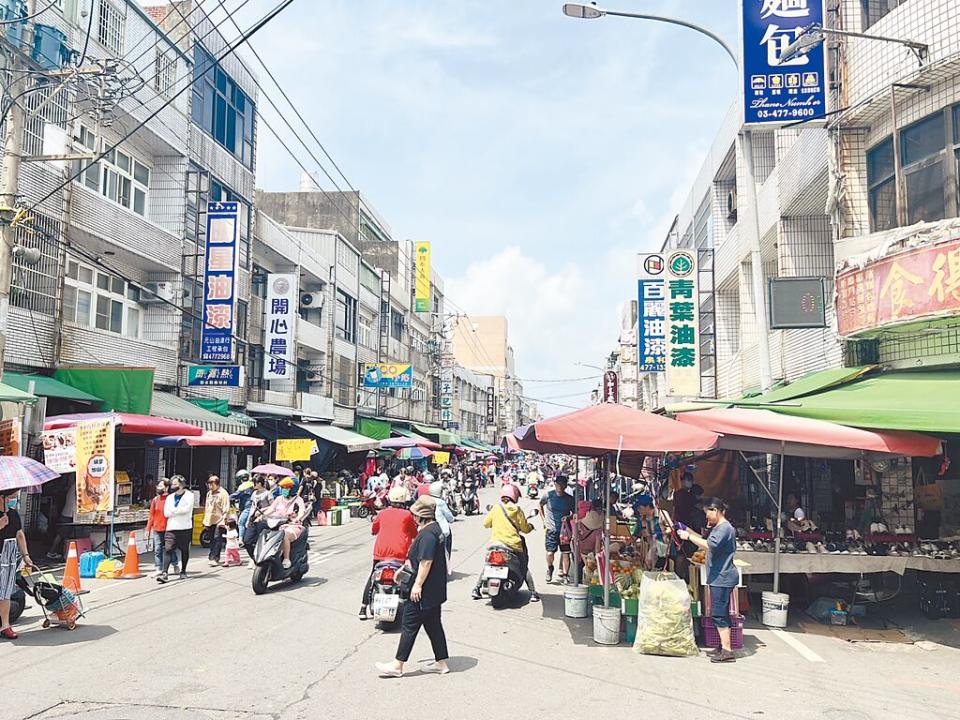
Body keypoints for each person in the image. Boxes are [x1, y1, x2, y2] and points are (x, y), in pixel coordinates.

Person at [376, 496, 449, 678]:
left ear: (420, 516)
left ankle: (397, 665)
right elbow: (418, 560)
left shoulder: (427, 535)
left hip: (423, 591)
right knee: (434, 626)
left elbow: (426, 562)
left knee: (409, 625)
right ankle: (441, 663)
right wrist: (403, 569)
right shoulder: (435, 530)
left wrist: (417, 585)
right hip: (434, 590)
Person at [678, 497, 738, 663]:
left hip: (722, 577)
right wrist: (687, 531)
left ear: (715, 511)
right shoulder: (719, 527)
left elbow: (709, 545)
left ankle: (727, 651)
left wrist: (688, 537)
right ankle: (722, 646)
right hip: (718, 576)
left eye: (708, 514)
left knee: (719, 614)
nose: (707, 518)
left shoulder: (724, 529)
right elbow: (705, 541)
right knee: (720, 612)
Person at [472, 484, 539, 602]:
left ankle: (476, 589)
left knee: (488, 565)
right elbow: (524, 528)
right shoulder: (517, 510)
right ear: (515, 496)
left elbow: (486, 524)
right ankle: (533, 592)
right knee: (523, 566)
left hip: (495, 545)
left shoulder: (496, 508)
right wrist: (530, 527)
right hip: (513, 546)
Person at [359, 486, 418, 620]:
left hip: (380, 554)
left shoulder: (382, 513)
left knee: (373, 577)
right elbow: (414, 533)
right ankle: (410, 606)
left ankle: (363, 608)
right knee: (407, 577)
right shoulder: (407, 515)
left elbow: (374, 530)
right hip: (400, 554)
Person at [0, 490, 34, 639]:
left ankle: (5, 626)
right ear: (2, 498)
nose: (13, 499)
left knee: (6, 593)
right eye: (11, 496)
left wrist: (26, 555)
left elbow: (19, 534)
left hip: (10, 558)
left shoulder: (13, 514)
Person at [260, 478, 307, 569]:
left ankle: (286, 559)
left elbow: (301, 511)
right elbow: (271, 509)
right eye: (283, 487)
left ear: (293, 488)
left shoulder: (298, 500)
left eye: (287, 487)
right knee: (265, 533)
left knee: (284, 535)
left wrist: (297, 518)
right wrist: (262, 516)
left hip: (292, 526)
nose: (284, 489)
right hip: (277, 525)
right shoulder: (278, 499)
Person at [539, 475, 575, 584]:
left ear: (565, 486)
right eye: (558, 484)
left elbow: (574, 513)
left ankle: (565, 574)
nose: (560, 486)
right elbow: (540, 505)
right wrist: (544, 520)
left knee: (566, 553)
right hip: (551, 529)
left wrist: (568, 517)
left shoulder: (569, 499)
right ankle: (550, 568)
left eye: (563, 484)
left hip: (564, 531)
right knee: (550, 553)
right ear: (555, 484)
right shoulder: (548, 495)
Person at [158, 476, 194, 583]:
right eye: (172, 484)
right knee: (168, 549)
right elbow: (166, 513)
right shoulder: (169, 497)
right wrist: (176, 511)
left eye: (175, 484)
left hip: (185, 527)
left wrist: (174, 511)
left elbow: (186, 510)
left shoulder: (189, 495)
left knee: (184, 550)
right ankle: (165, 573)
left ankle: (183, 571)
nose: (173, 486)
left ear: (181, 485)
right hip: (171, 527)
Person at [146, 479, 179, 576]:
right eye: (158, 486)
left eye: (161, 486)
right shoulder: (155, 500)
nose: (158, 488)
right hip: (157, 528)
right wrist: (148, 528)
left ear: (167, 487)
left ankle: (175, 564)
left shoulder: (171, 499)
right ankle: (158, 568)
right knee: (158, 549)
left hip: (168, 529)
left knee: (169, 549)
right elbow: (151, 515)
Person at [203, 474, 230, 566]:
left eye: (212, 484)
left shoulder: (223, 493)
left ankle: (215, 557)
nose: (210, 486)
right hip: (210, 520)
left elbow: (226, 508)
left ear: (217, 484)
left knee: (217, 538)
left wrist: (224, 520)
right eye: (209, 484)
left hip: (220, 520)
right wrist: (205, 520)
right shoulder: (209, 493)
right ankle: (211, 556)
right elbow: (207, 507)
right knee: (211, 539)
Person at [428, 481, 455, 559]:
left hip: (428, 528)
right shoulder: (441, 502)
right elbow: (450, 518)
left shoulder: (427, 500)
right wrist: (452, 518)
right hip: (443, 531)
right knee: (446, 552)